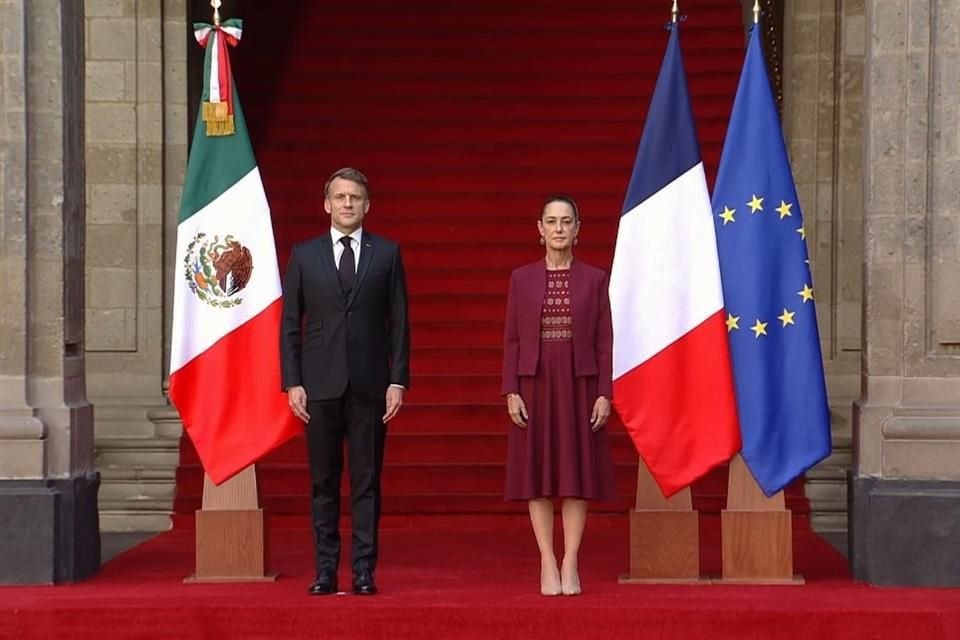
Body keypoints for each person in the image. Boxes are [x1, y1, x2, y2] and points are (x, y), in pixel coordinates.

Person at [281, 167, 410, 596]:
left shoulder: (387, 254)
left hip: (372, 384)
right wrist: (292, 381)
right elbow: (290, 326)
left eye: (355, 197)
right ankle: (324, 570)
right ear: (327, 204)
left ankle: (363, 570)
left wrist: (398, 381)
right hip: (319, 386)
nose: (348, 203)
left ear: (367, 205)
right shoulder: (304, 255)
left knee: (367, 480)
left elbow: (400, 324)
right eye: (340, 197)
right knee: (323, 481)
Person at [501, 195, 617, 596]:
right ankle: (546, 561)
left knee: (575, 475)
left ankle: (571, 561)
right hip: (533, 383)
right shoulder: (521, 279)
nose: (559, 229)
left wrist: (605, 392)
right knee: (537, 475)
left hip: (579, 383)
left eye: (566, 221)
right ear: (540, 229)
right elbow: (513, 339)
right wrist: (510, 390)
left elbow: (605, 342)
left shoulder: (595, 279)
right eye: (551, 221)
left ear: (577, 228)